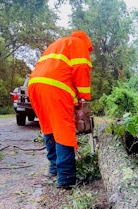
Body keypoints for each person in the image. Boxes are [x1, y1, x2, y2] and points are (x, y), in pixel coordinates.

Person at [28, 30, 93, 189]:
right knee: (63, 129)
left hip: (34, 86)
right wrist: (83, 98)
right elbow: (81, 70)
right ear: (86, 42)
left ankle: (54, 168)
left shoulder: (57, 45)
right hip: (55, 87)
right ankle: (66, 178)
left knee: (49, 127)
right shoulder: (79, 44)